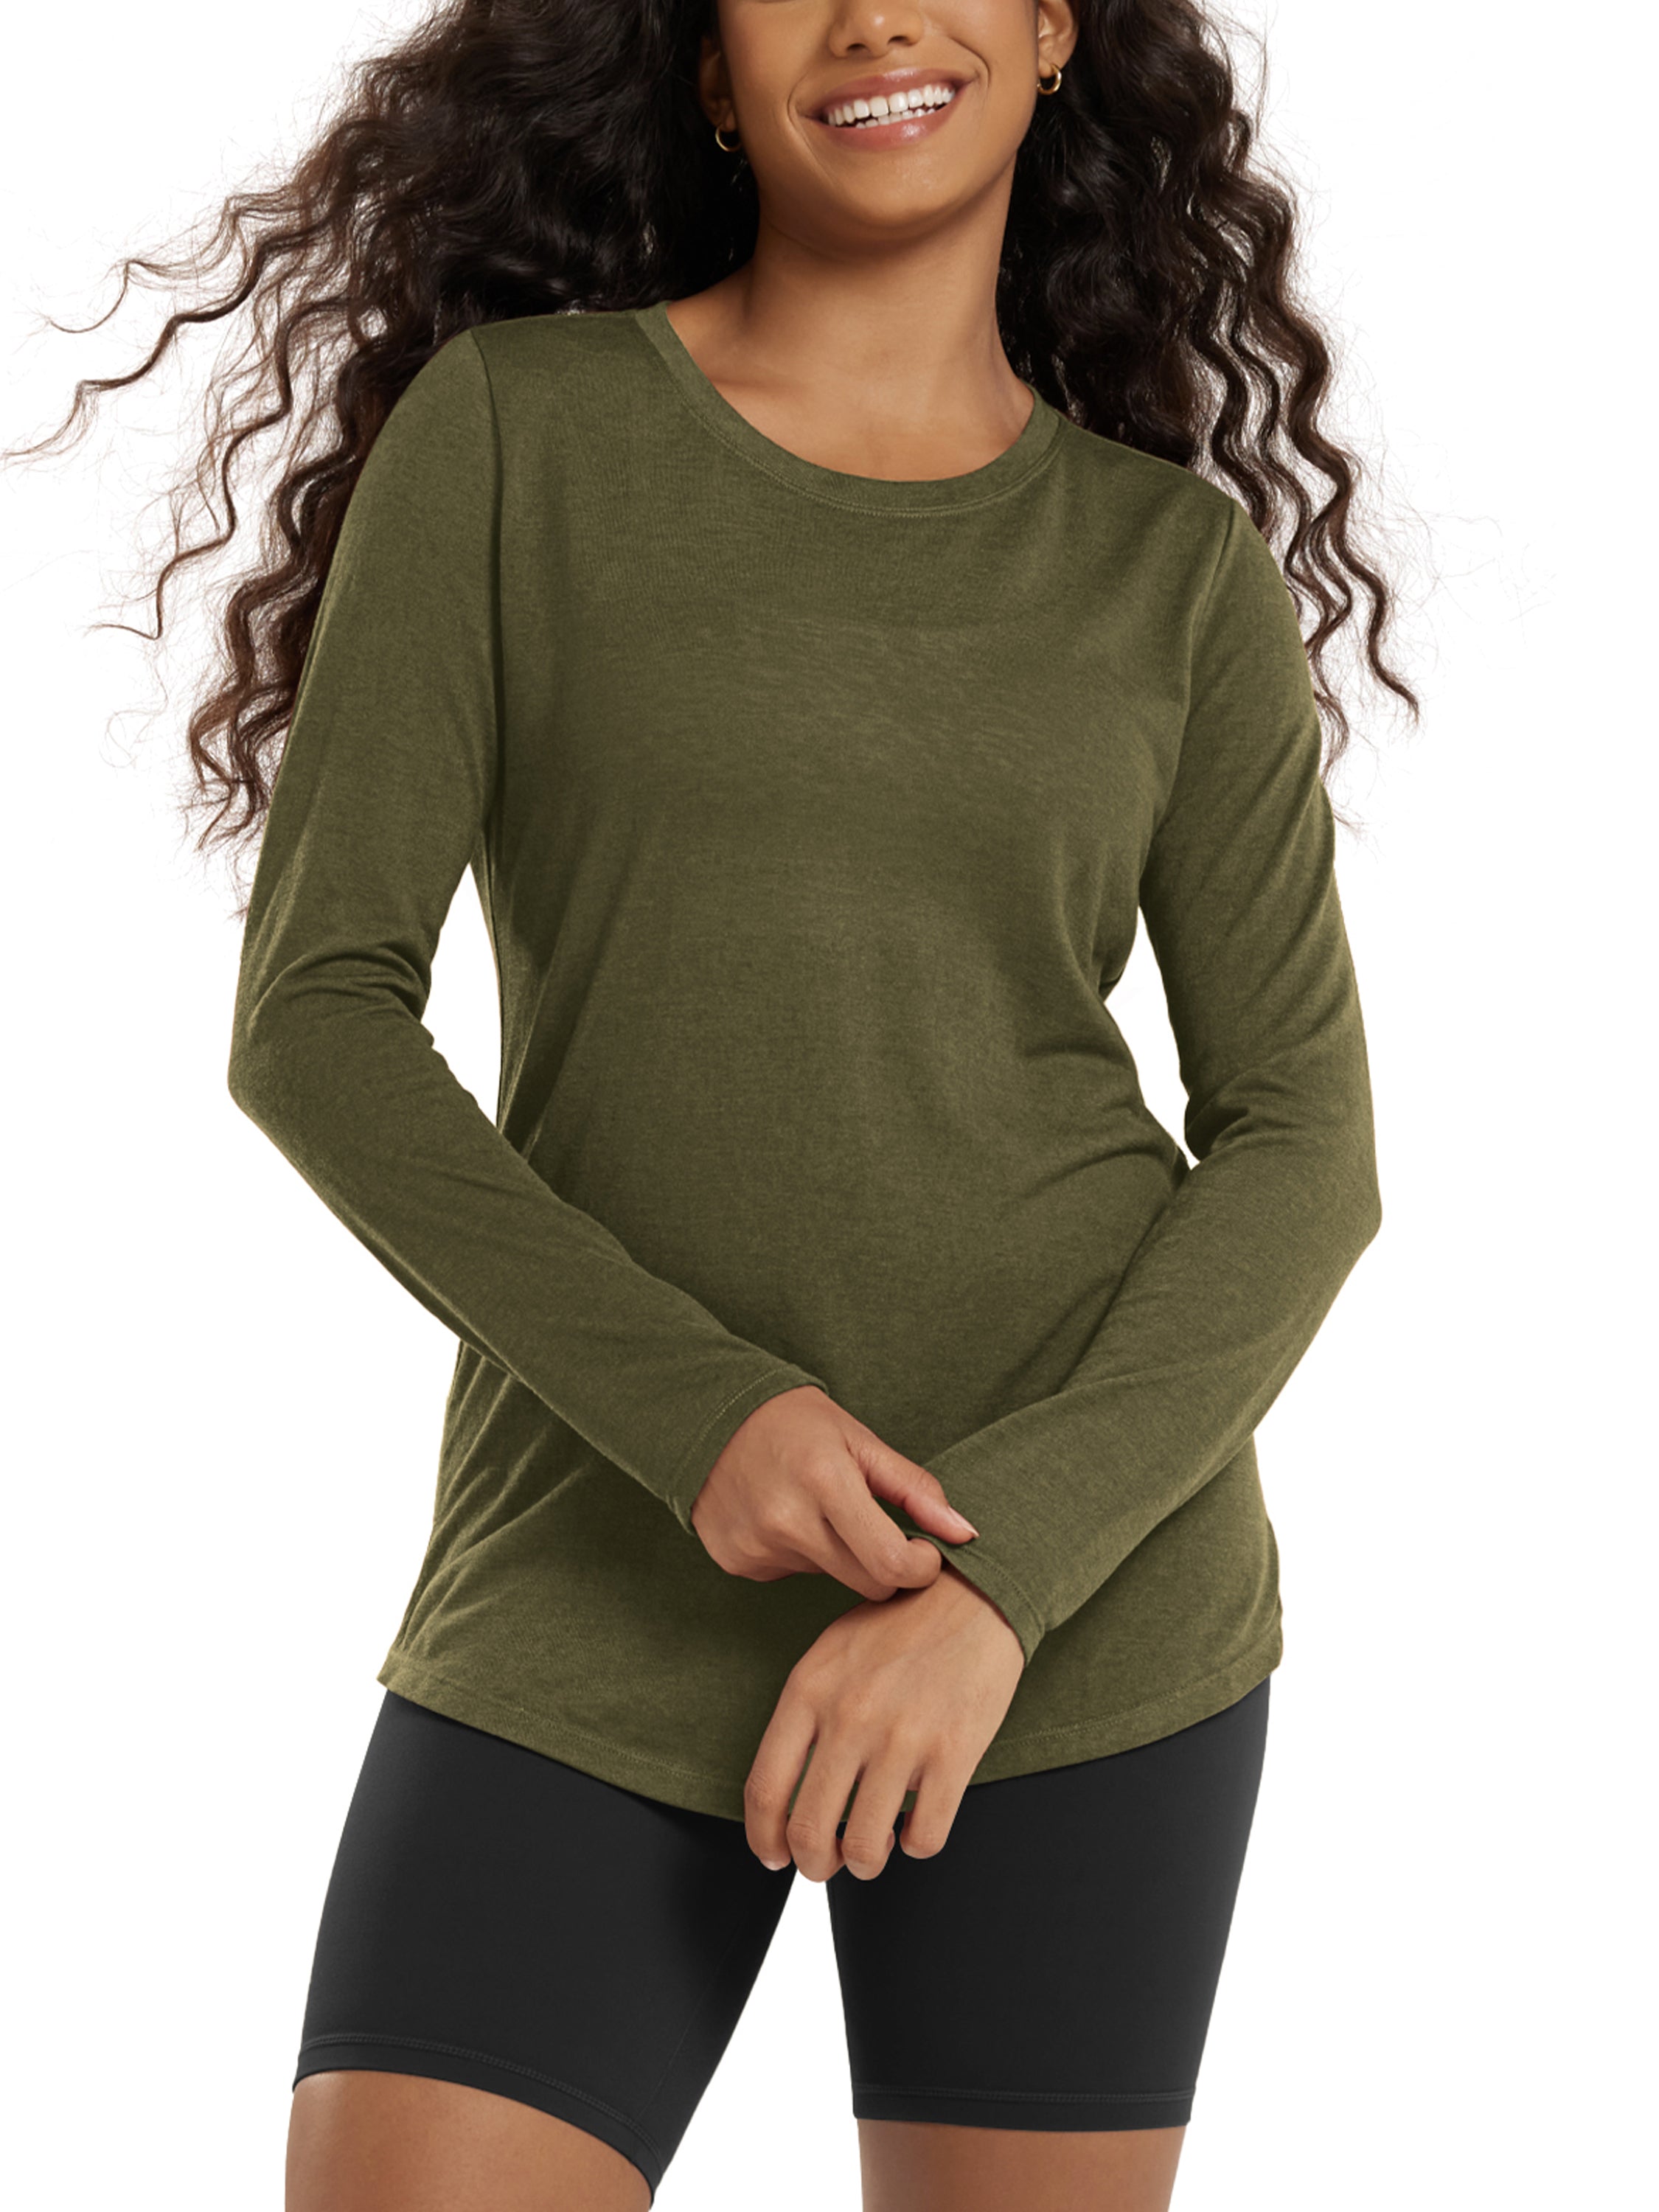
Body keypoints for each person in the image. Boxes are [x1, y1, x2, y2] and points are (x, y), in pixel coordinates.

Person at [21, 2, 1416, 2205]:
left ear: (1054, 30)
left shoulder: (1172, 576)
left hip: (1071, 1622)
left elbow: (1302, 1147)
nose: (874, 16)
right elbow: (318, 1020)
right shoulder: (518, 440)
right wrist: (708, 1423)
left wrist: (1004, 1585)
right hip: (596, 1572)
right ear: (702, 64)